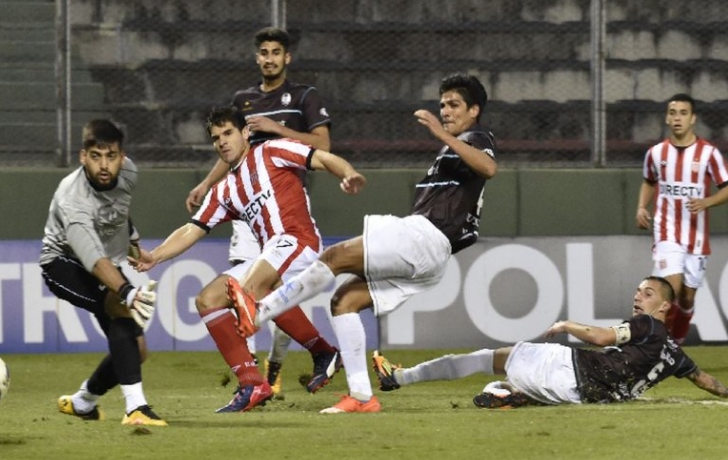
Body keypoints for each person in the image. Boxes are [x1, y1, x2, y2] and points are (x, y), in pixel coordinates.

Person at [229, 73, 497, 414]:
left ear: (474, 110)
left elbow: (489, 167)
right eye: (442, 104)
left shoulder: (477, 136)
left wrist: (442, 134)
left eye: (454, 105)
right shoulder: (457, 145)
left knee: (335, 256)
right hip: (433, 256)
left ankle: (259, 312)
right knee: (344, 301)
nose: (445, 110)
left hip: (426, 236)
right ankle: (360, 396)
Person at [132, 106, 365, 413]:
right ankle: (255, 381)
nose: (222, 142)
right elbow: (193, 229)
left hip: (299, 241)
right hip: (271, 253)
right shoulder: (225, 190)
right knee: (209, 299)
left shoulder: (271, 151)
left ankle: (317, 354)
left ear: (245, 133)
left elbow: (320, 157)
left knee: (252, 290)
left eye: (228, 133)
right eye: (216, 138)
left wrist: (347, 173)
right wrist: (155, 256)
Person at [186, 26, 333, 397]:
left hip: (284, 205)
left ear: (287, 58)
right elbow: (230, 148)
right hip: (246, 208)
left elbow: (323, 143)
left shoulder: (303, 96)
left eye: (276, 53)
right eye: (263, 53)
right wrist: (207, 185)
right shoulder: (243, 99)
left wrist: (275, 127)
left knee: (264, 294)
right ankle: (254, 381)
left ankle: (292, 363)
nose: (269, 59)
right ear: (257, 58)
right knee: (245, 294)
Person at [371, 276, 728, 407]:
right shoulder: (674, 354)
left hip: (572, 368)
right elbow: (706, 381)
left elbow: (600, 337)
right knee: (502, 380)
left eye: (647, 292)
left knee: (489, 357)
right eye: (637, 291)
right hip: (589, 397)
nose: (638, 297)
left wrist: (566, 324)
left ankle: (398, 378)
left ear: (664, 305)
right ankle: (513, 395)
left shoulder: (646, 325)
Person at [39, 119, 165, 426]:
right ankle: (136, 408)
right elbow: (95, 261)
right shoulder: (74, 200)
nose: (104, 165)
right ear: (83, 157)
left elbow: (119, 211)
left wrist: (133, 242)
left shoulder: (129, 174)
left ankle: (84, 401)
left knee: (137, 350)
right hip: (64, 263)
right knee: (118, 306)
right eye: (96, 156)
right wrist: (128, 291)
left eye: (111, 156)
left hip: (105, 261)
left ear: (123, 157)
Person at [636, 93, 728, 343]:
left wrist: (707, 202)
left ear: (693, 119)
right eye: (672, 113)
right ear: (667, 119)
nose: (677, 118)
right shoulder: (656, 153)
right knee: (671, 289)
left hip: (696, 237)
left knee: (687, 298)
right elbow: (649, 181)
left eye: (682, 113)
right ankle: (656, 346)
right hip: (666, 230)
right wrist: (641, 207)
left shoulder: (709, 154)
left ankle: (675, 342)